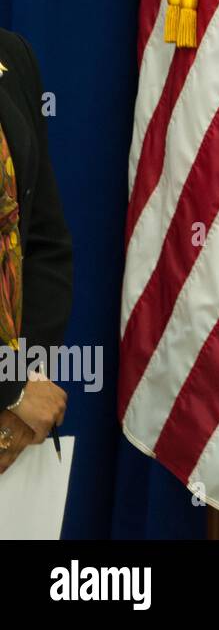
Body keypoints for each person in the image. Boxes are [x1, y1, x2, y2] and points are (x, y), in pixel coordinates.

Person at [0, 30, 72, 475]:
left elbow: (44, 241)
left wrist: (23, 380)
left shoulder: (12, 55)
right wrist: (9, 389)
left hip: (19, 430)